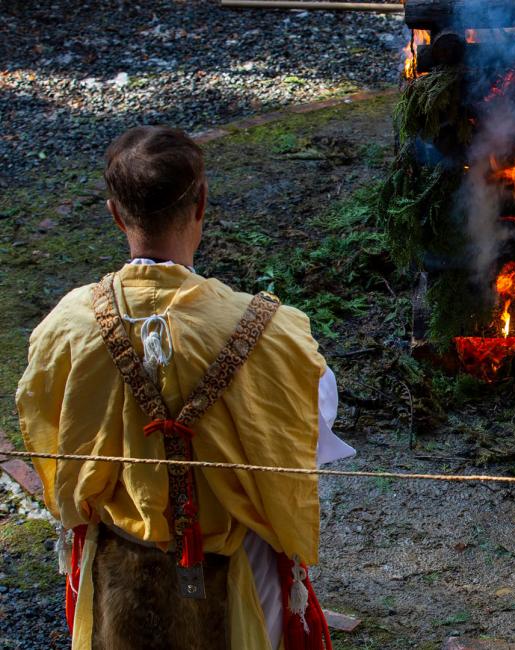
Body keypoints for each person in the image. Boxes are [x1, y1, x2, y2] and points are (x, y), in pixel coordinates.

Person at [16, 126, 354, 649]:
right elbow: (308, 434)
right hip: (240, 583)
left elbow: (47, 431)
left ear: (114, 213)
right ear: (201, 203)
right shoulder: (272, 330)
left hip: (118, 574)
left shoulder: (67, 328)